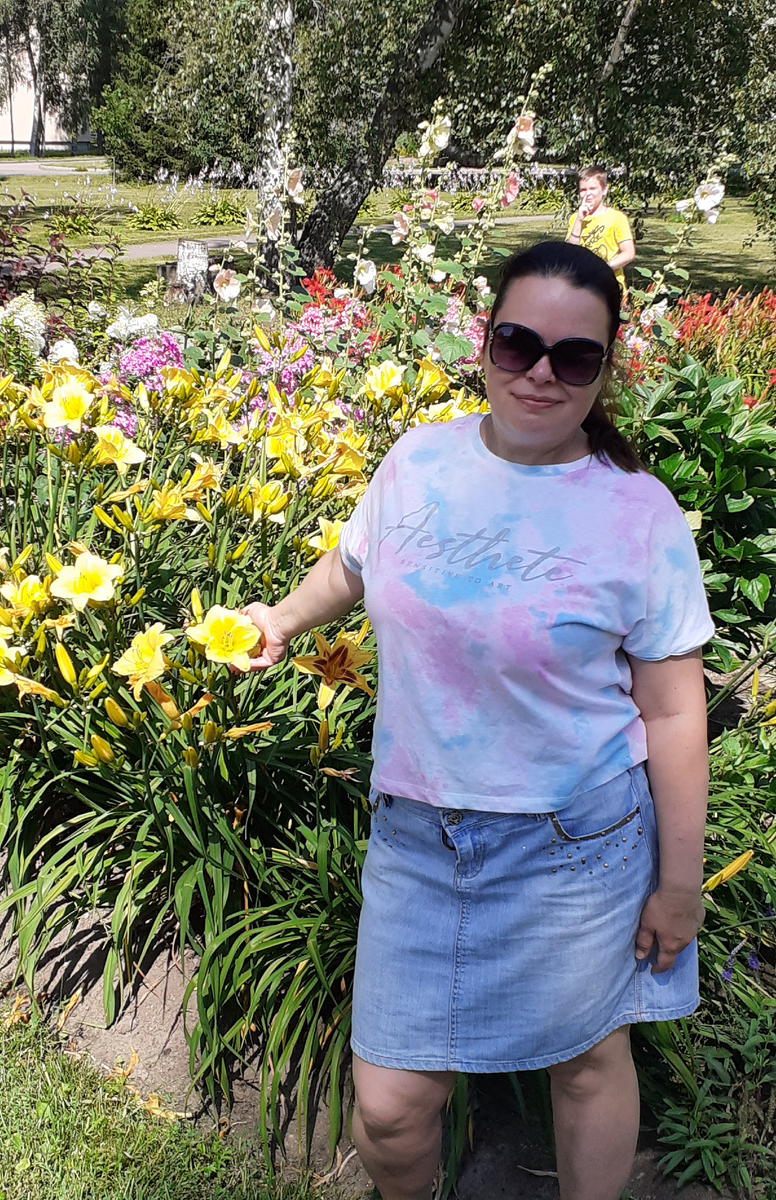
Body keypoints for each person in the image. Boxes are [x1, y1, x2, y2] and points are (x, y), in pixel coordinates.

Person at [242, 240, 712, 1200]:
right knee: (389, 1107)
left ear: (606, 369)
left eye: (574, 357)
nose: (541, 373)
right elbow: (354, 563)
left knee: (587, 1063)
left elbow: (673, 712)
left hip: (574, 847)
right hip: (419, 840)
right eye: (518, 344)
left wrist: (679, 886)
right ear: (485, 342)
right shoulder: (419, 461)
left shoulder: (638, 514)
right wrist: (282, 620)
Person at [566, 165, 635, 295]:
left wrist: (603, 268)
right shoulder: (575, 218)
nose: (588, 194)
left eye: (593, 188)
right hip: (583, 287)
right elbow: (570, 253)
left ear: (604, 190)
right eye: (583, 190)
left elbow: (628, 253)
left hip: (610, 285)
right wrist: (579, 220)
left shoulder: (617, 217)